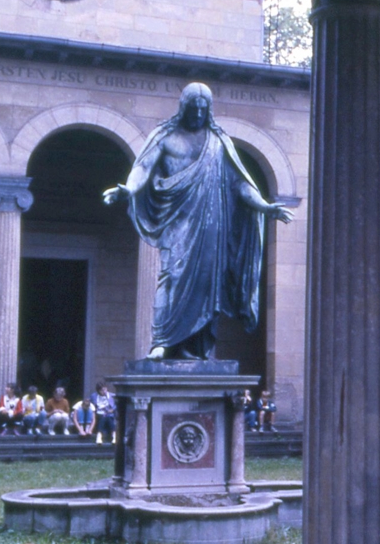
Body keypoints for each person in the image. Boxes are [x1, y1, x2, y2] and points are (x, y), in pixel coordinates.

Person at [103, 83, 291, 360]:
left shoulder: (218, 141)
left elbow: (240, 183)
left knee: (206, 284)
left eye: (203, 111)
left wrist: (264, 206)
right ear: (184, 108)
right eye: (193, 110)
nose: (198, 115)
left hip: (211, 224)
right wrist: (129, 189)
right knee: (172, 276)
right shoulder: (164, 136)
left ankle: (195, 347)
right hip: (179, 221)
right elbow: (143, 167)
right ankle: (162, 341)